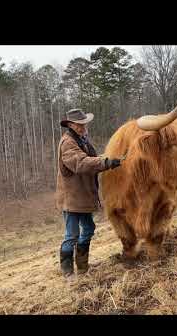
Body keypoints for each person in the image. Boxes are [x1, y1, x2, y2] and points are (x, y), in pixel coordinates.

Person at [55, 108, 122, 277]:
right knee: (72, 235)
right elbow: (81, 163)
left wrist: (109, 158)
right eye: (80, 124)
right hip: (72, 199)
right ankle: (68, 273)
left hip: (83, 197)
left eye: (84, 124)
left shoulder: (81, 139)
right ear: (70, 125)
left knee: (89, 228)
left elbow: (90, 158)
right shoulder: (68, 143)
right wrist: (105, 162)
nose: (83, 127)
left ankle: (83, 267)